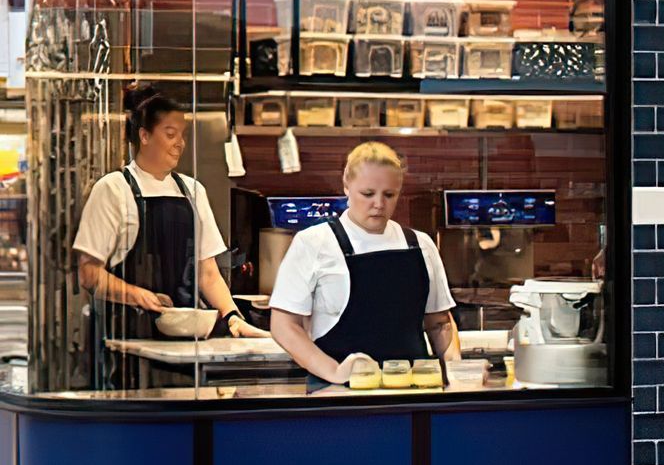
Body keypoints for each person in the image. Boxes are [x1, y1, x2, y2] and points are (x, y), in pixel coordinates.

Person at [73, 85, 263, 358]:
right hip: (128, 343)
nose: (180, 144)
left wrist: (232, 316)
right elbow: (89, 273)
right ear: (145, 136)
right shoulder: (113, 189)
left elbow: (208, 273)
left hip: (187, 343)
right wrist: (138, 295)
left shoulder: (193, 190)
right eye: (171, 134)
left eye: (182, 135)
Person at [268, 141, 455, 386]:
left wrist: (456, 373)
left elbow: (440, 324)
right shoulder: (314, 243)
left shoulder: (420, 245)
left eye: (389, 195)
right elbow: (284, 326)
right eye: (368, 194)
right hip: (338, 392)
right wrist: (335, 372)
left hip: (411, 391)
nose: (379, 204)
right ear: (346, 186)